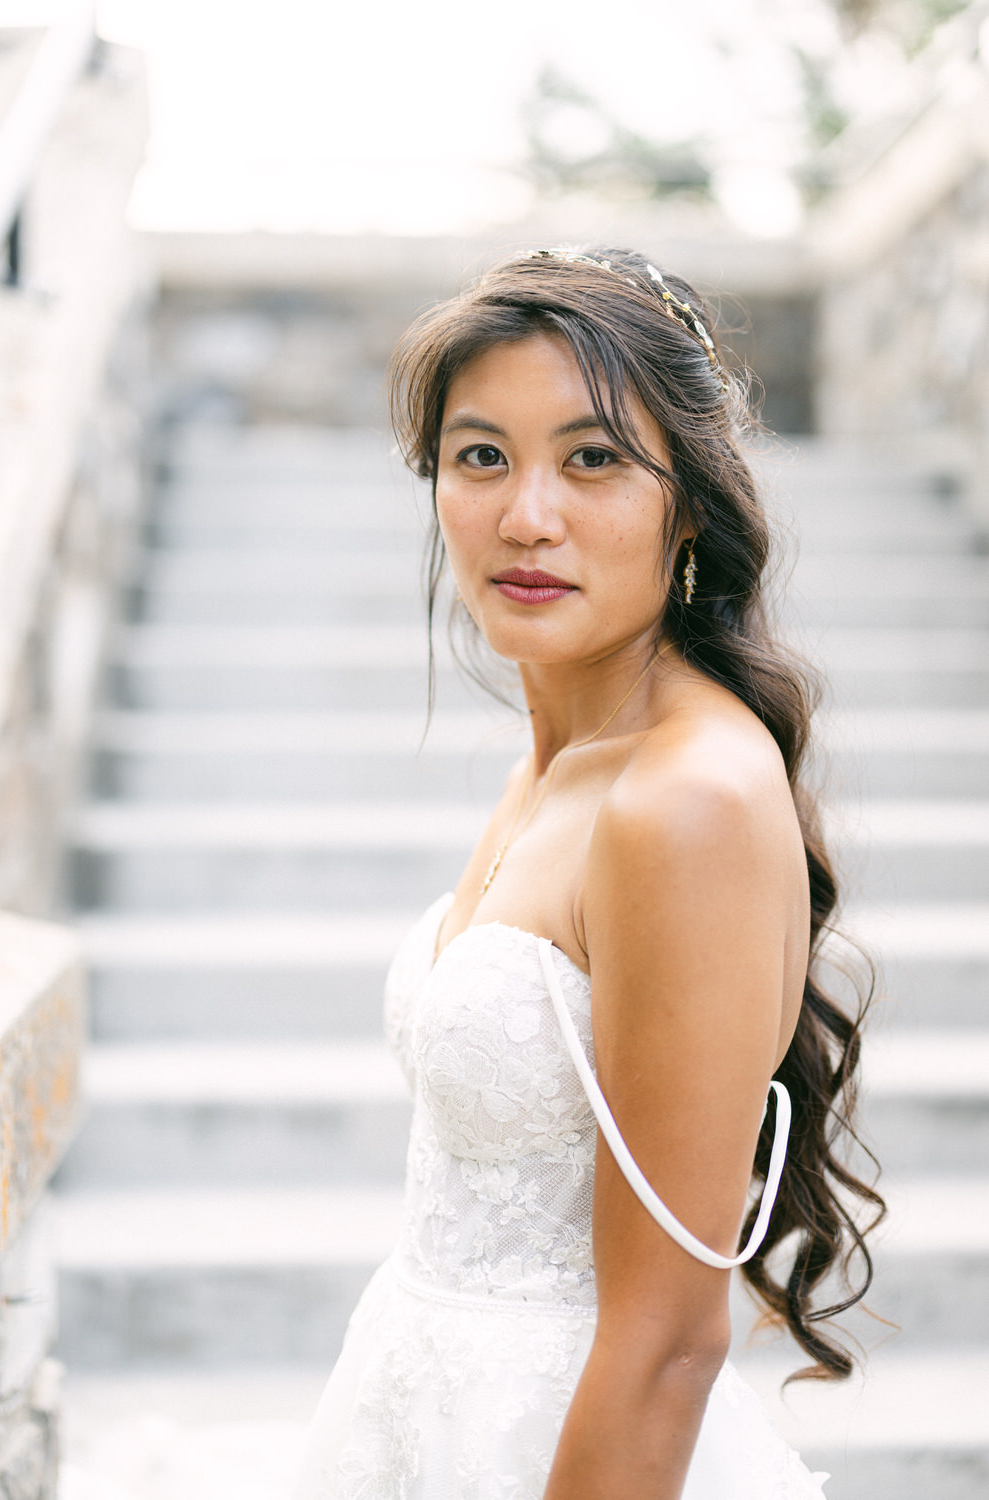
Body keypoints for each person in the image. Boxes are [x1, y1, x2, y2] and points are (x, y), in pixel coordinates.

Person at [292, 247, 885, 1499]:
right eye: (481, 456)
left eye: (594, 458)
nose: (526, 517)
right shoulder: (561, 760)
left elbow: (668, 1341)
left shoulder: (686, 801)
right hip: (426, 1417)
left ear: (690, 499)